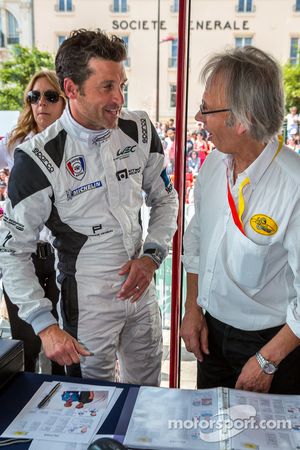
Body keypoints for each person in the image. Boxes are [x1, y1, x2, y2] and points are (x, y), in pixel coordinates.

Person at [0, 29, 178, 385]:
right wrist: (45, 326)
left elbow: (165, 198)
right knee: (90, 406)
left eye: (122, 85)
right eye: (106, 87)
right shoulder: (37, 158)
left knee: (147, 397)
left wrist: (152, 256)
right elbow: (11, 251)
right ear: (71, 89)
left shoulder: (139, 127)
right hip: (87, 303)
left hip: (141, 291)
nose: (118, 98)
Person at [181, 46, 300, 395]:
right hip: (210, 335)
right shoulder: (214, 165)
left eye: (207, 109)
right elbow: (197, 239)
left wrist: (268, 359)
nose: (199, 118)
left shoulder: (294, 186)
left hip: (274, 346)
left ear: (243, 120)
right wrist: (192, 309)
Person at [0, 69, 66, 373]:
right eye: (34, 96)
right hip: (23, 256)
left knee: (60, 344)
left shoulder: (75, 144)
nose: (42, 103)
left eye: (51, 96)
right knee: (23, 344)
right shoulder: (14, 144)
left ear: (65, 101)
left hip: (61, 258)